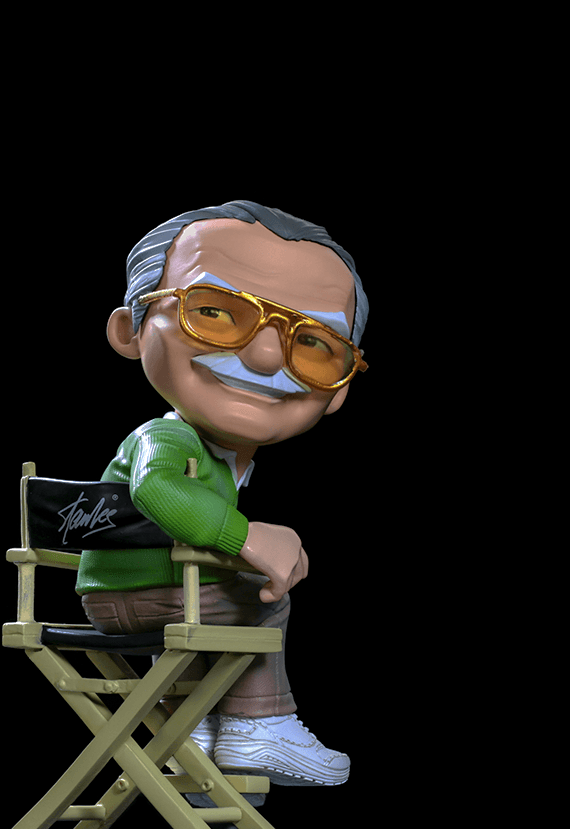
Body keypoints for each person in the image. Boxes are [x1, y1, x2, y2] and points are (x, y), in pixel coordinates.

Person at [76, 201, 369, 787]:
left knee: (225, 597)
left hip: (142, 592)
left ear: (338, 390)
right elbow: (157, 489)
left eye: (314, 344)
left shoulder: (215, 456)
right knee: (262, 602)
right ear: (130, 329)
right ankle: (260, 725)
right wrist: (247, 537)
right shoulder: (165, 437)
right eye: (213, 312)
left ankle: (190, 727)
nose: (264, 356)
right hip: (139, 595)